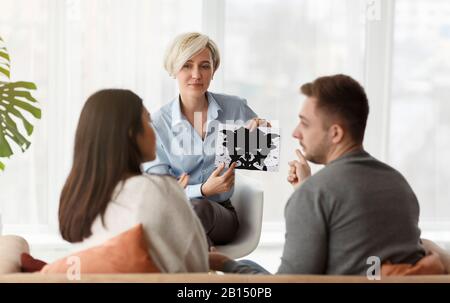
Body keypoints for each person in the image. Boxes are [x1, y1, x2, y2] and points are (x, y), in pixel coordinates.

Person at [209, 74, 427, 275]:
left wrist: (224, 263)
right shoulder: (399, 184)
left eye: (304, 123)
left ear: (335, 133)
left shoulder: (313, 195)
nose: (296, 132)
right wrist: (307, 189)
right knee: (249, 266)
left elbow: (291, 284)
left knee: (239, 269)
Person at [58, 89, 209, 273]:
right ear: (131, 133)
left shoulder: (76, 197)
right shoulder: (159, 189)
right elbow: (198, 268)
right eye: (148, 120)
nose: (154, 129)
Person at [143, 32, 269, 246]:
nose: (196, 75)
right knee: (189, 224)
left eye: (204, 66)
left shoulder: (235, 108)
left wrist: (262, 136)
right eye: (187, 66)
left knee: (198, 210)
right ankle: (207, 263)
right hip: (173, 213)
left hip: (220, 214)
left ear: (213, 70)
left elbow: (264, 157)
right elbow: (161, 190)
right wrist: (202, 190)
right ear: (174, 70)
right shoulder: (157, 124)